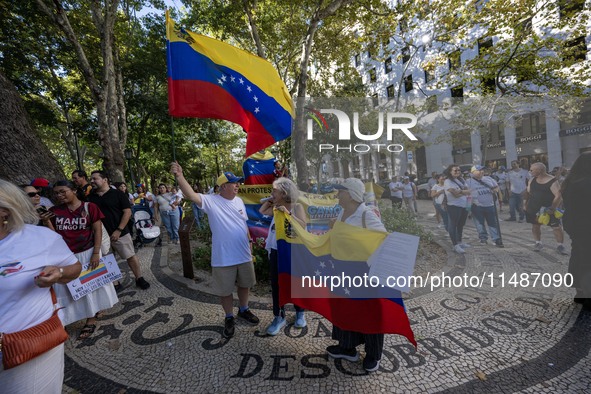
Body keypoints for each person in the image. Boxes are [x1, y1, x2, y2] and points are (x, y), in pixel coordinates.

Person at [0, 179, 82, 393]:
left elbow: (73, 268)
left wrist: (59, 273)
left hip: (27, 345)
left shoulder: (39, 238)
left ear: (4, 211)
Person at [171, 163, 259, 338]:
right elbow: (191, 195)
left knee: (245, 284)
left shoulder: (239, 200)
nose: (238, 185)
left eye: (238, 183)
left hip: (243, 253)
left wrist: (249, 240)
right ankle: (228, 317)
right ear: (223, 186)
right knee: (225, 290)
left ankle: (244, 309)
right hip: (223, 256)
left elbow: (243, 223)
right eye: (234, 183)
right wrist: (180, 177)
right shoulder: (211, 201)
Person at [325, 177, 387, 372]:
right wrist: (336, 228)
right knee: (344, 307)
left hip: (363, 273)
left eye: (341, 191)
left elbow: (382, 239)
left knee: (369, 311)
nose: (338, 195)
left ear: (351, 195)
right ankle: (347, 346)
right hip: (343, 270)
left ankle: (373, 354)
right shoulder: (342, 212)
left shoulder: (367, 215)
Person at [49, 180, 118, 339]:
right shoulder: (54, 211)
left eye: (63, 191)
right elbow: (52, 236)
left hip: (87, 253)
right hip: (65, 256)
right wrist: (46, 220)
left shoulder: (89, 207)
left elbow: (97, 229)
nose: (59, 195)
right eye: (56, 193)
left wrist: (96, 252)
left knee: (89, 287)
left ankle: (91, 318)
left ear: (73, 190)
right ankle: (65, 320)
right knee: (65, 289)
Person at [259, 177, 307, 336]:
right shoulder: (275, 206)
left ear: (284, 192)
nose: (271, 192)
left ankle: (300, 311)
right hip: (275, 249)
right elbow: (262, 211)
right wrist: (270, 200)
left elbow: (303, 225)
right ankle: (278, 316)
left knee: (295, 282)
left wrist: (287, 212)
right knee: (276, 284)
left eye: (274, 190)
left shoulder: (296, 206)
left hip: (292, 250)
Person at [87, 170, 150, 290]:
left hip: (120, 233)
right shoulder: (90, 197)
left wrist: (119, 230)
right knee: (107, 259)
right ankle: (115, 283)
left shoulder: (118, 194)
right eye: (91, 179)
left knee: (130, 255)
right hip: (101, 235)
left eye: (95, 178)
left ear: (105, 180)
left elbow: (127, 212)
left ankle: (139, 278)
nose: (92, 181)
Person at [561, 152, 591, 310]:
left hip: (574, 225)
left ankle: (580, 292)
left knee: (579, 254)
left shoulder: (570, 182)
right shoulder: (586, 183)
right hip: (586, 226)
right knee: (587, 259)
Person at [525, 163, 568, 255]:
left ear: (539, 170)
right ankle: (538, 243)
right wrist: (525, 204)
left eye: (532, 170)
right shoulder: (532, 180)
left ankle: (560, 246)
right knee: (535, 225)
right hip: (534, 208)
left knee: (556, 227)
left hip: (549, 209)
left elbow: (558, 196)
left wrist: (553, 208)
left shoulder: (552, 181)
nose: (530, 171)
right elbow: (529, 192)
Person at [466, 166, 504, 247]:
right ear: (473, 172)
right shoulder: (468, 181)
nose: (481, 171)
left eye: (482, 170)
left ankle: (496, 238)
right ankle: (483, 238)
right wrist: (468, 208)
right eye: (478, 170)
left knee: (493, 223)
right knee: (479, 223)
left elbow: (496, 187)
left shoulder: (489, 179)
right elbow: (467, 195)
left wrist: (495, 190)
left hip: (490, 205)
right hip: (476, 206)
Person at [444, 164, 472, 254]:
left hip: (464, 205)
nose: (457, 172)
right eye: (455, 170)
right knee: (453, 225)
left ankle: (459, 242)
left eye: (459, 170)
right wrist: (463, 192)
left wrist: (460, 192)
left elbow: (468, 190)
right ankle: (455, 245)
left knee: (460, 225)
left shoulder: (461, 180)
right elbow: (455, 194)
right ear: (450, 172)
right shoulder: (448, 181)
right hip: (453, 206)